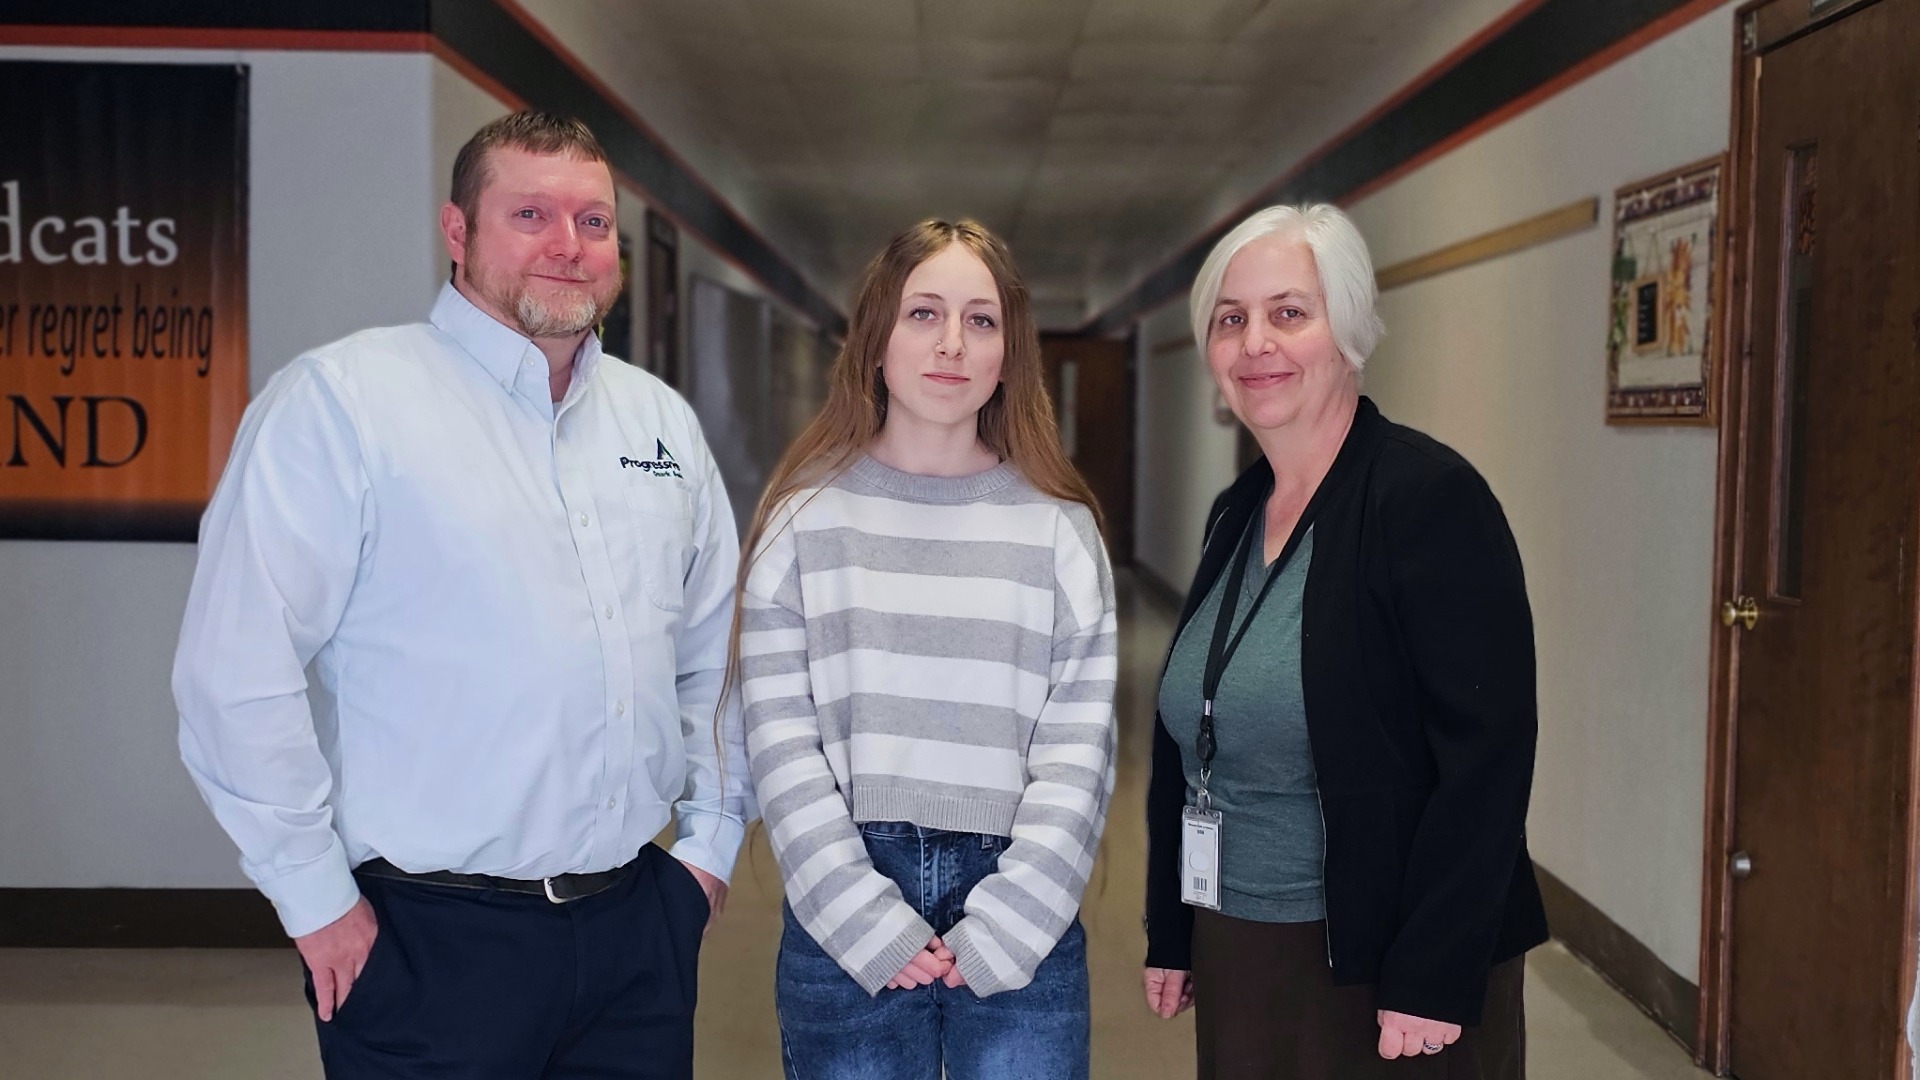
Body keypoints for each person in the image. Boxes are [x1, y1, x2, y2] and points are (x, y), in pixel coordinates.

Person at [173, 111, 752, 1078]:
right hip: (427, 943)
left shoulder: (660, 424)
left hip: (634, 935)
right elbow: (234, 671)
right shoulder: (345, 405)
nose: (568, 246)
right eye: (531, 213)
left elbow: (717, 657)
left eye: (594, 222)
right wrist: (313, 899)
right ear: (458, 231)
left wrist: (707, 853)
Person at [1141, 204, 1548, 1079]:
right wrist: (1173, 928)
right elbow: (1188, 734)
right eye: (1231, 319)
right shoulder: (1236, 513)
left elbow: (1488, 757)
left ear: (1350, 332)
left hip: (1384, 961)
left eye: (1290, 312)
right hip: (1242, 940)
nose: (1257, 344)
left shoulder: (1428, 498)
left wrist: (1433, 975)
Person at [734, 219, 1117, 1080]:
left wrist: (1011, 922)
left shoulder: (1059, 529)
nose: (952, 343)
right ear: (875, 338)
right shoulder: (802, 521)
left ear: (1010, 352)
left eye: (981, 321)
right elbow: (780, 741)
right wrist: (861, 914)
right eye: (923, 314)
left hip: (1025, 905)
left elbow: (1079, 754)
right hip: (846, 906)